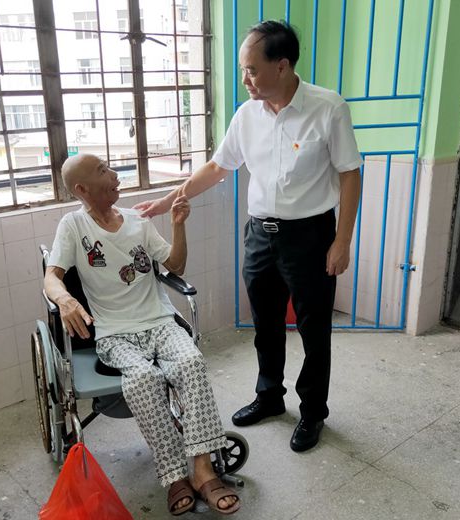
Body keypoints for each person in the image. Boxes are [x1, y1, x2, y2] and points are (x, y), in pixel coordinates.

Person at [135, 20, 362, 453]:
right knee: (265, 324)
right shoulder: (247, 115)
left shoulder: (328, 108)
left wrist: (342, 241)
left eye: (251, 70)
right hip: (260, 235)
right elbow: (218, 167)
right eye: (243, 70)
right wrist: (168, 200)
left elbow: (350, 174)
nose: (245, 80)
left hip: (311, 236)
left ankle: (313, 411)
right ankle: (269, 396)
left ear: (282, 65)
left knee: (314, 330)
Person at [44, 154, 240, 516]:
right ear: (82, 190)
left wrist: (178, 225)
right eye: (103, 171)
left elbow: (175, 265)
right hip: (115, 334)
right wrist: (65, 299)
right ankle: (174, 476)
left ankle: (202, 470)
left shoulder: (138, 221)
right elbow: (51, 276)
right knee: (143, 380)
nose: (115, 175)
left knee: (192, 362)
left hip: (161, 321)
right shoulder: (73, 226)